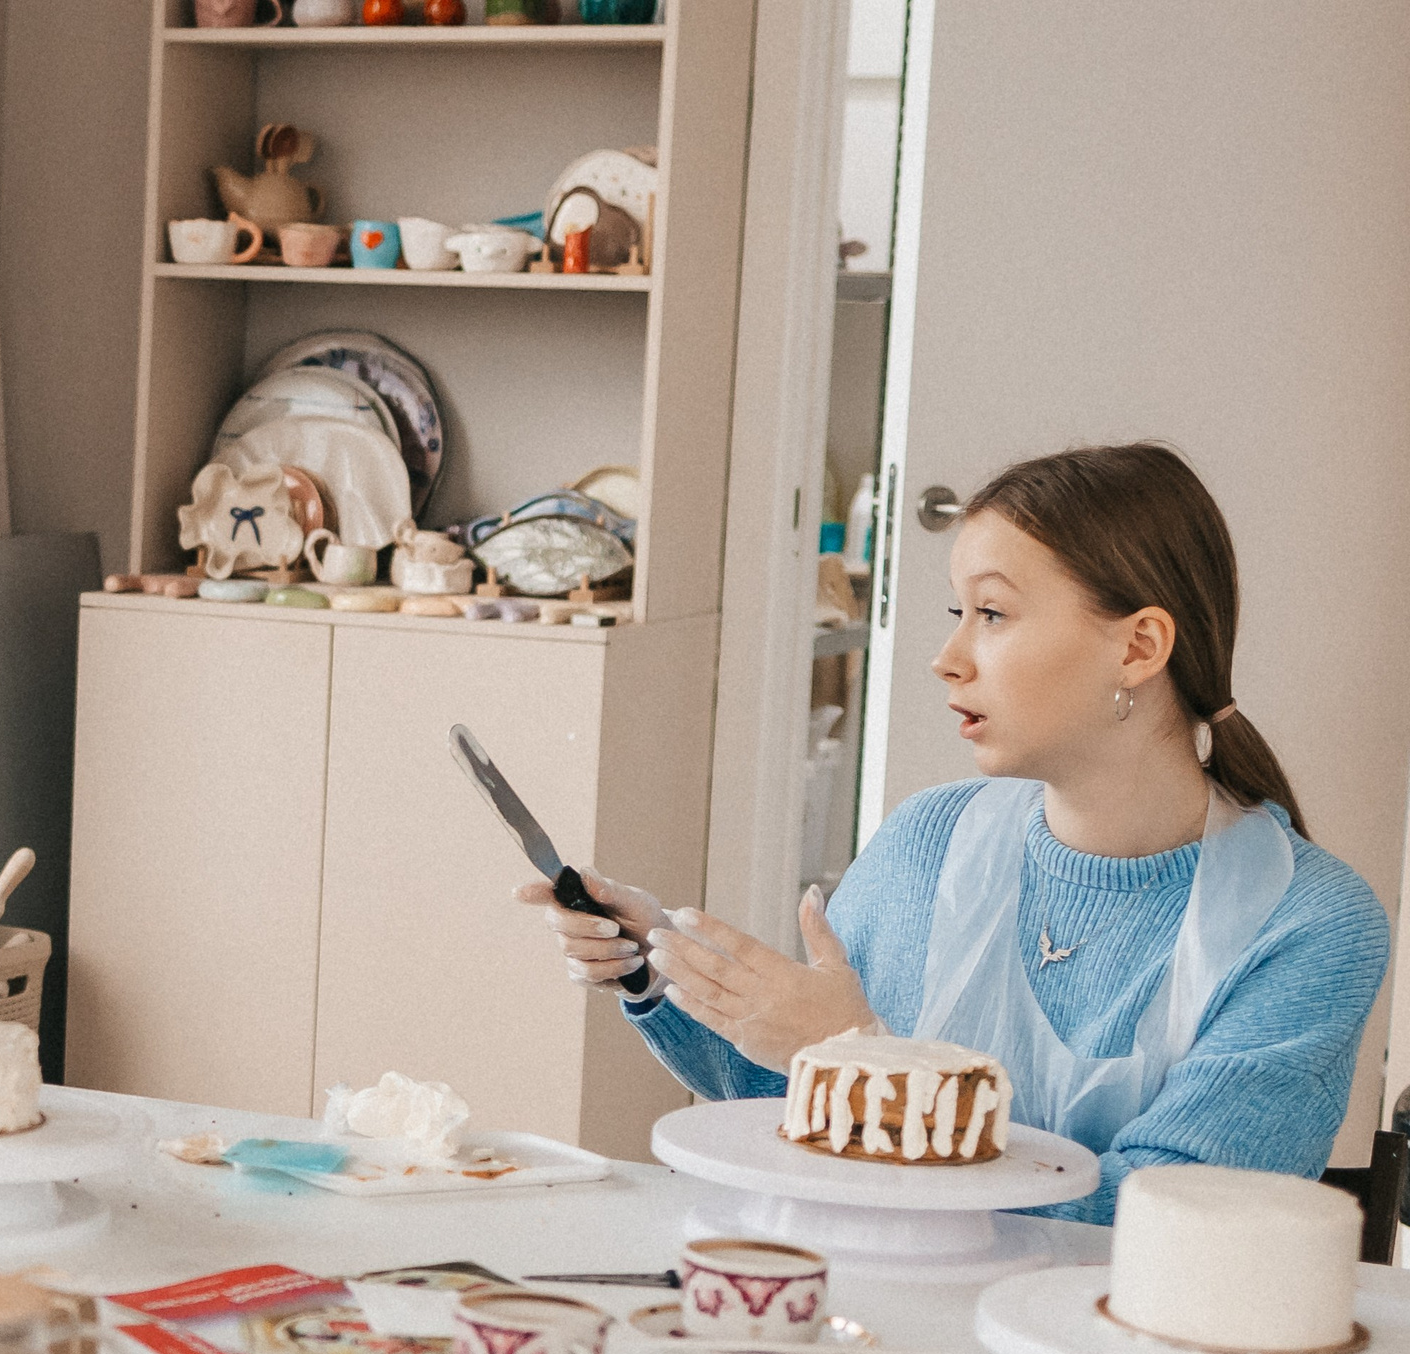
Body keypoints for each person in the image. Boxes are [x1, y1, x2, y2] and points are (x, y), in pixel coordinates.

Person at [532, 443, 1388, 1222]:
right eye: (959, 611)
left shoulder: (1311, 924)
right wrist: (658, 971)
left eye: (994, 614)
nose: (948, 657)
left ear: (1138, 648)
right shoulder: (928, 840)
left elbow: (1167, 1225)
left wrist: (866, 1063)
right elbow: (789, 1098)